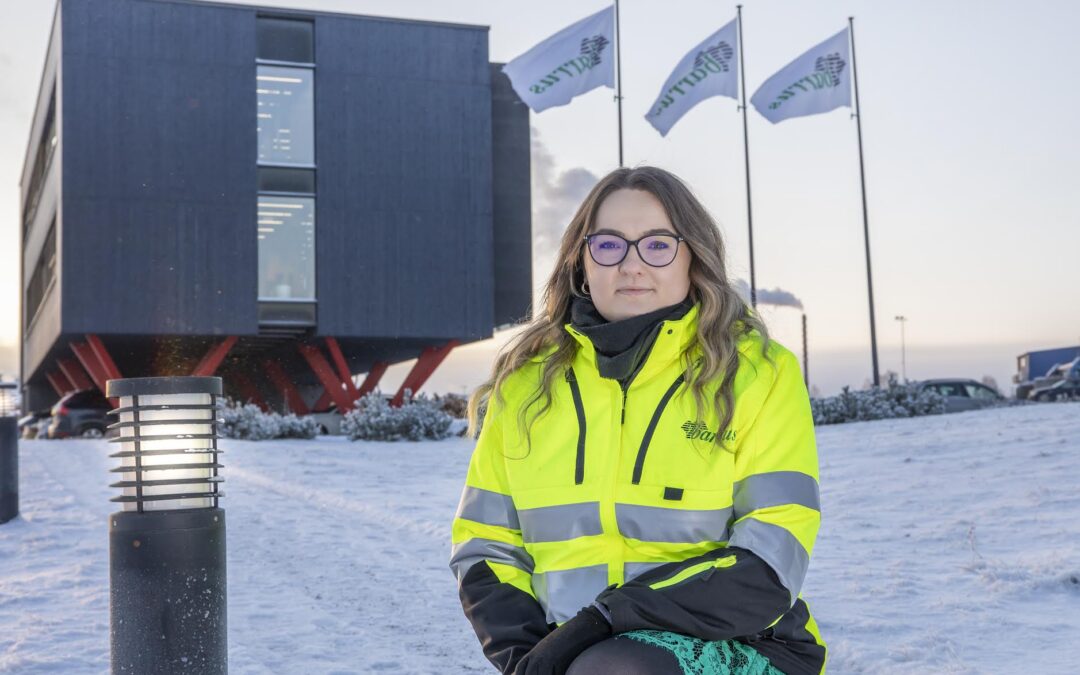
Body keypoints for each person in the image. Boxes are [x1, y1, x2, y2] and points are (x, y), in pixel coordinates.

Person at [450, 166, 826, 675]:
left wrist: (603, 621)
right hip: (576, 655)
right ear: (581, 262)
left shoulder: (757, 373)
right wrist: (530, 658)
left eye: (657, 245)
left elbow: (770, 563)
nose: (631, 265)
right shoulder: (525, 387)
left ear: (693, 257)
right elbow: (486, 545)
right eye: (609, 245)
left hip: (744, 644)